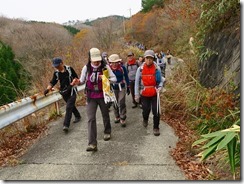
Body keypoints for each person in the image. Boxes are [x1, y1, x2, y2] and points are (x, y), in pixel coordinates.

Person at [71, 48, 117, 152]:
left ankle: (107, 131)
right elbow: (82, 81)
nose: (96, 62)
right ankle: (92, 143)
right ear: (90, 59)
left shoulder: (105, 67)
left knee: (105, 114)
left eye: (98, 60)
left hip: (103, 95)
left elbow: (114, 79)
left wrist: (105, 78)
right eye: (94, 60)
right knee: (91, 118)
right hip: (91, 96)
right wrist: (76, 82)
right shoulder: (86, 68)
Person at [44, 57, 81, 132]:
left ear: (62, 63)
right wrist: (48, 89)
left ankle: (66, 125)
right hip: (64, 92)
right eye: (55, 66)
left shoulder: (69, 69)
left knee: (68, 107)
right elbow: (53, 82)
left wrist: (73, 82)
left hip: (72, 90)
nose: (56, 67)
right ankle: (78, 116)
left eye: (57, 65)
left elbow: (76, 77)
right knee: (70, 106)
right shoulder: (56, 73)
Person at [134, 50, 163, 136]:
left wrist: (160, 87)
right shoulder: (140, 69)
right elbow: (137, 82)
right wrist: (136, 94)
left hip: (154, 93)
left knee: (156, 111)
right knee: (145, 110)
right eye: (147, 58)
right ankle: (145, 119)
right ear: (144, 58)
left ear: (153, 58)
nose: (149, 60)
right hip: (144, 93)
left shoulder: (157, 68)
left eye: (150, 58)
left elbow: (160, 81)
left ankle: (156, 127)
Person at [108, 54, 130, 127]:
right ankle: (117, 116)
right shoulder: (108, 69)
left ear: (118, 62)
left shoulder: (122, 68)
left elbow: (126, 77)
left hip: (122, 87)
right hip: (113, 88)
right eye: (113, 62)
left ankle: (123, 117)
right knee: (115, 102)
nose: (114, 64)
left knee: (122, 102)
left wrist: (128, 86)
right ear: (110, 62)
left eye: (116, 62)